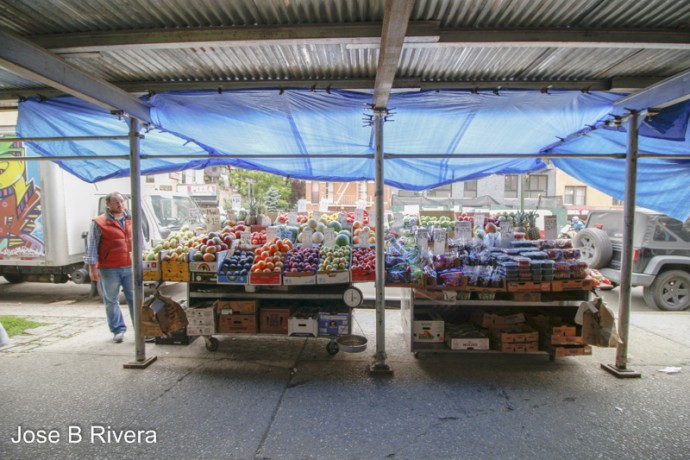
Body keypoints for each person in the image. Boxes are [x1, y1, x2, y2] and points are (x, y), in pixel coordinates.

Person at [84, 192, 134, 343]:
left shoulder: (130, 218)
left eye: (122, 201)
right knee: (111, 300)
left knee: (135, 299)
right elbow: (92, 246)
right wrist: (93, 269)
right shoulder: (99, 222)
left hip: (130, 266)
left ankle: (141, 328)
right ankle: (118, 330)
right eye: (116, 202)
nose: (120, 204)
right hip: (109, 268)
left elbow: (139, 240)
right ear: (108, 205)